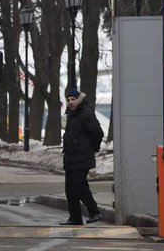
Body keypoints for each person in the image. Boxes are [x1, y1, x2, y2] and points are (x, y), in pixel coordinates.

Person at [60, 88, 105, 225]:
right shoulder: (72, 114)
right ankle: (75, 218)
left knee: (80, 185)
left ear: (79, 99)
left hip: (82, 155)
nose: (70, 102)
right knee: (70, 189)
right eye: (68, 100)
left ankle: (94, 212)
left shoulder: (85, 113)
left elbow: (98, 133)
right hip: (71, 156)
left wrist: (92, 148)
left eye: (73, 99)